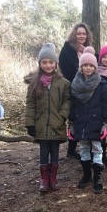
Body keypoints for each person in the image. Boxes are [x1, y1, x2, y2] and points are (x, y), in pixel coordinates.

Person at [24, 43, 71, 193]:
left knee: (55, 150)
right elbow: (30, 104)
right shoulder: (34, 83)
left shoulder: (63, 83)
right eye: (44, 62)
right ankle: (44, 179)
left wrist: (63, 116)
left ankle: (53, 178)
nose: (48, 65)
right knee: (44, 151)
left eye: (51, 62)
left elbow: (67, 101)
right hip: (41, 124)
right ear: (39, 64)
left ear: (55, 63)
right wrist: (30, 123)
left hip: (57, 123)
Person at [69, 52, 107, 194]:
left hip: (96, 124)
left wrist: (106, 123)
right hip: (80, 123)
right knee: (83, 149)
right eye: (85, 65)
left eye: (91, 65)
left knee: (97, 150)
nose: (88, 68)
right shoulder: (74, 85)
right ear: (81, 67)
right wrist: (71, 123)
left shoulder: (102, 85)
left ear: (95, 67)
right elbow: (71, 105)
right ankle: (86, 175)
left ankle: (97, 178)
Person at [59, 23, 94, 160]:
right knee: (73, 119)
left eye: (84, 34)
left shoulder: (88, 50)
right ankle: (71, 149)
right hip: (72, 88)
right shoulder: (68, 49)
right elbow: (69, 69)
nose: (81, 36)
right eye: (79, 33)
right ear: (74, 34)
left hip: (87, 88)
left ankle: (88, 147)